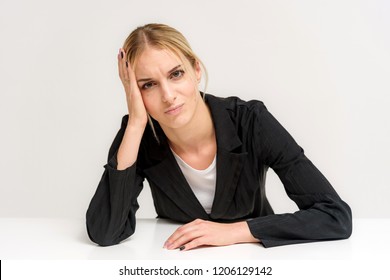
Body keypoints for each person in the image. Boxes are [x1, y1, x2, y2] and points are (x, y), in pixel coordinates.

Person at [86, 23, 352, 250]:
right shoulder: (139, 135)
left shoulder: (250, 121)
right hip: (176, 265)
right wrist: (134, 124)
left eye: (176, 74)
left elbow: (334, 215)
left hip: (260, 262)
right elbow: (105, 232)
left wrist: (236, 232)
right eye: (148, 85)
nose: (168, 95)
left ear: (196, 70)